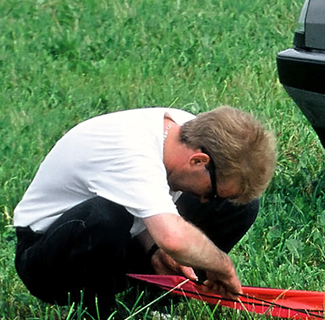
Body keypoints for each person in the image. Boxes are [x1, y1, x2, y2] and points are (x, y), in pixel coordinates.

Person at [12, 106, 277, 309]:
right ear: (198, 160)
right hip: (48, 258)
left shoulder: (185, 131)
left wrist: (153, 247)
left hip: (118, 243)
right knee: (106, 217)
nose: (208, 201)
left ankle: (159, 299)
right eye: (214, 193)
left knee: (239, 207)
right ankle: (94, 315)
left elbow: (143, 207)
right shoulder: (132, 150)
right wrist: (222, 266)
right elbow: (172, 237)